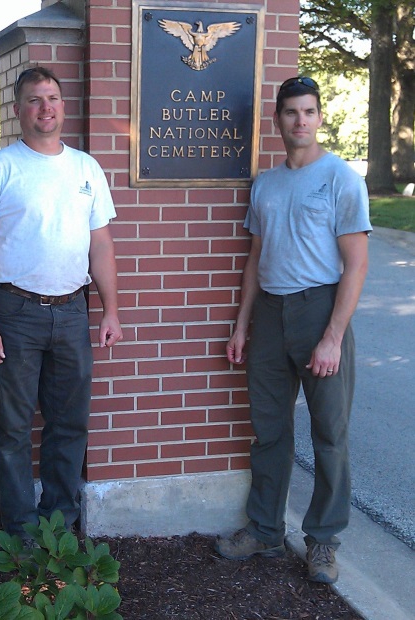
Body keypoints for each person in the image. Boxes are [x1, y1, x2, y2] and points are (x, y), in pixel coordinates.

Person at [215, 76, 371, 584]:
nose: (300, 121)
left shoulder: (341, 179)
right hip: (271, 316)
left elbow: (356, 266)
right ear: (278, 119)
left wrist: (331, 336)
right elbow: (255, 258)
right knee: (270, 431)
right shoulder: (267, 183)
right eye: (290, 112)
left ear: (319, 117)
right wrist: (242, 326)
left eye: (308, 111)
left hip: (320, 312)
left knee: (329, 434)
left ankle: (323, 540)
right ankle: (264, 529)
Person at [0, 66, 123, 539]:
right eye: (34, 99)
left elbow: (102, 246)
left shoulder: (86, 168)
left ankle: (58, 523)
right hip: (14, 311)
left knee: (69, 423)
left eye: (52, 97)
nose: (45, 107)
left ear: (63, 105)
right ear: (18, 110)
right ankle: (19, 529)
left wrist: (110, 308)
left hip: (73, 310)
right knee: (12, 429)